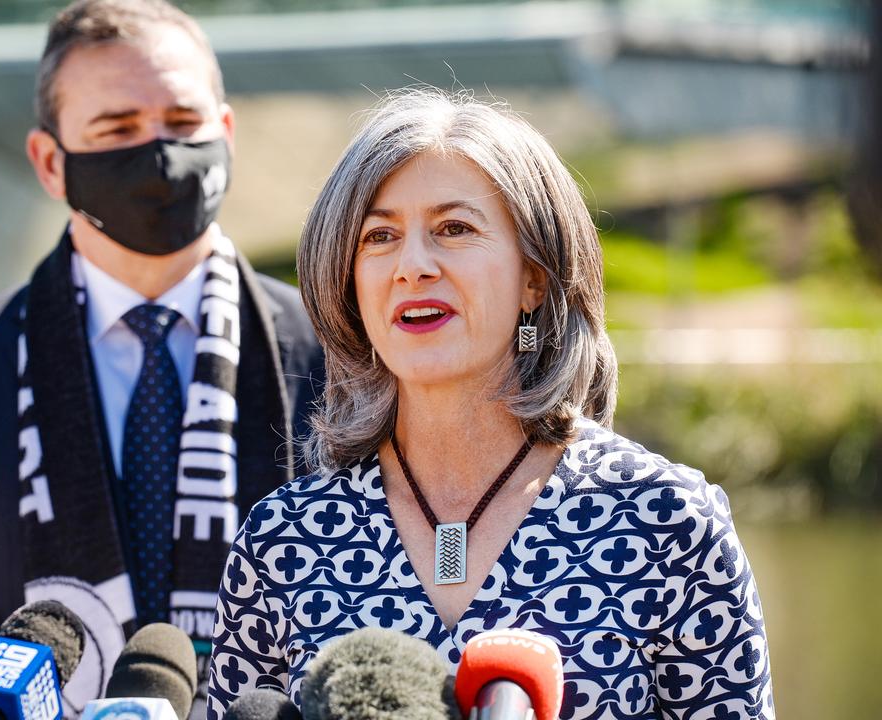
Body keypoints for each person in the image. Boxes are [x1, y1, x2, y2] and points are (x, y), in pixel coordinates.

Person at [206, 89, 773, 720]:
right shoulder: (284, 541)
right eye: (380, 236)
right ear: (348, 280)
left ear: (535, 276)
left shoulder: (668, 524)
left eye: (454, 228)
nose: (412, 265)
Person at [0, 1, 324, 717]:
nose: (160, 154)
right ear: (51, 163)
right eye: (117, 129)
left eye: (182, 123)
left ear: (226, 133)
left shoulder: (334, 347)